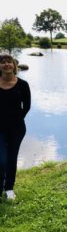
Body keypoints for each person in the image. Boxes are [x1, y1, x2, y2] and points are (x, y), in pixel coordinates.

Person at [0, 53, 31, 200]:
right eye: (2, 62)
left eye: (9, 62)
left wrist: (17, 119)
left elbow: (27, 106)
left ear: (14, 65)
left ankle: (9, 188)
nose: (6, 64)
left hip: (17, 128)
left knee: (12, 158)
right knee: (1, 159)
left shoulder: (23, 85)